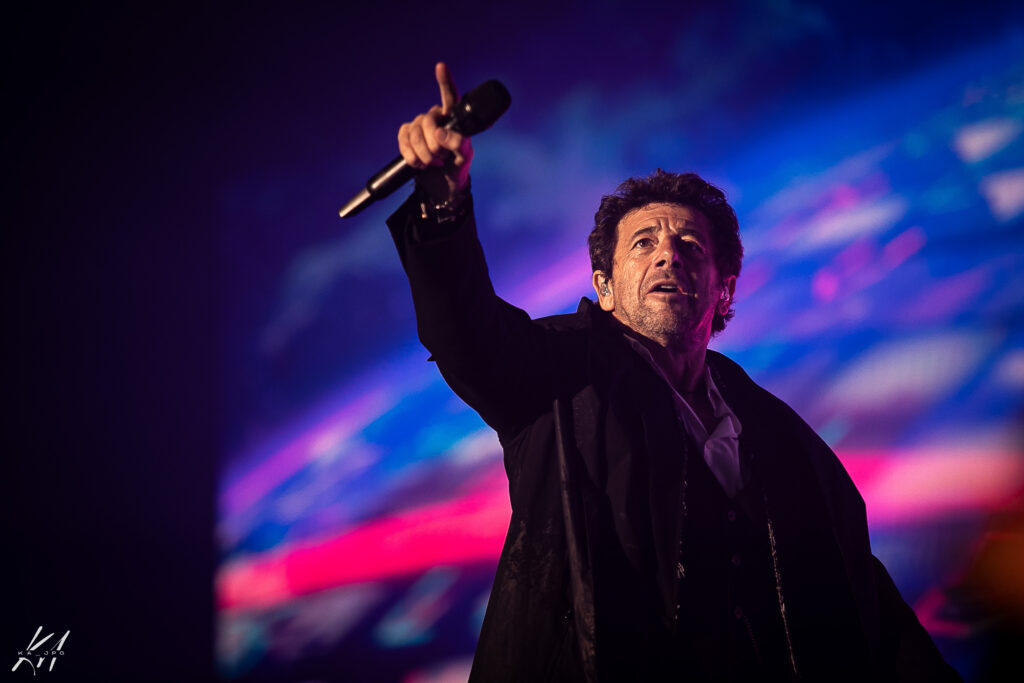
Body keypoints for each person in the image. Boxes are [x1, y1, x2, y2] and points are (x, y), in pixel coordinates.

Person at [386, 62, 962, 682]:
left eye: (690, 246)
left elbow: (863, 600)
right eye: (643, 243)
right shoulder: (556, 372)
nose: (667, 252)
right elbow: (464, 334)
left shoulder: (779, 436)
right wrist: (442, 201)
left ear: (723, 288)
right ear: (604, 288)